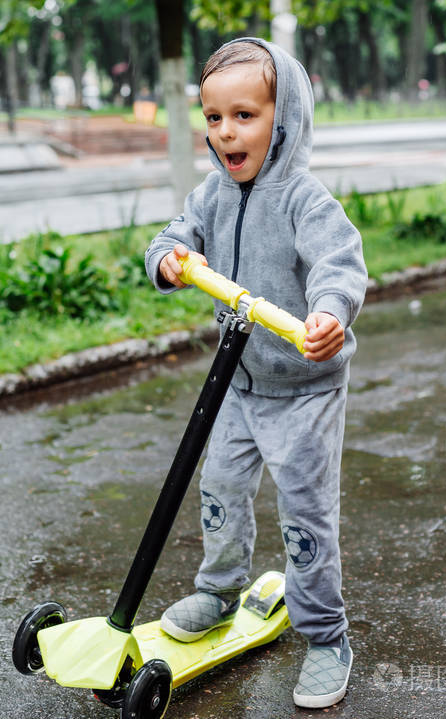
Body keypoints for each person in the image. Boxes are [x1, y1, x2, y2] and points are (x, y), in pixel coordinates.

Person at [144, 37, 367, 709]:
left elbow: (340, 264)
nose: (225, 131)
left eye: (243, 115)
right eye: (213, 118)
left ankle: (327, 635)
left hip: (303, 390)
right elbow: (169, 239)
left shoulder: (305, 198)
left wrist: (327, 314)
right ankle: (218, 591)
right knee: (220, 491)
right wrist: (171, 260)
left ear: (284, 118)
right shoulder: (212, 193)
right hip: (237, 382)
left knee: (305, 514)